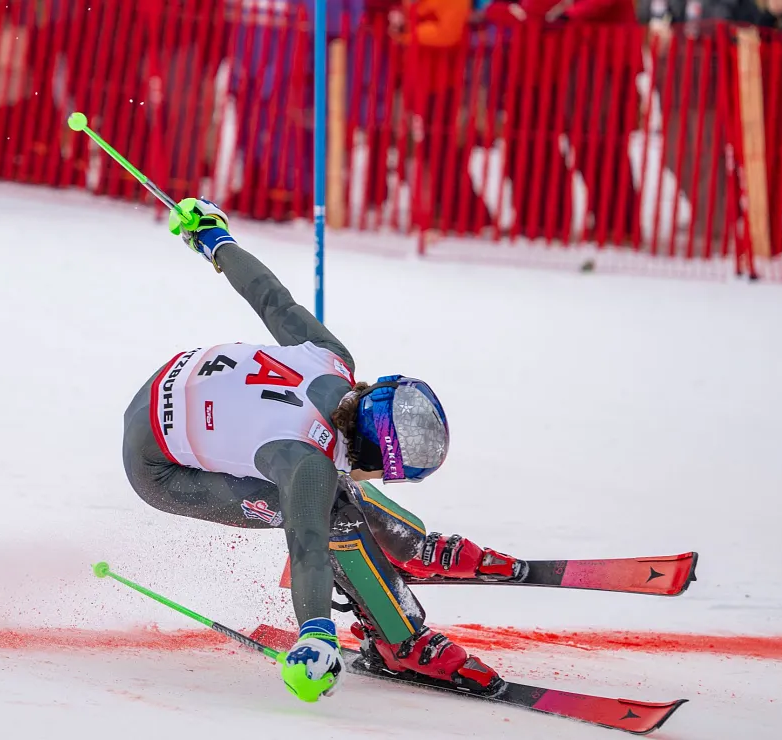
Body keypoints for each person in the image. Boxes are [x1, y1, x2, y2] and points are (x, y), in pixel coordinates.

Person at [122, 197, 527, 702]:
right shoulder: (307, 462)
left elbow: (273, 300)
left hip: (177, 377)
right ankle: (399, 641)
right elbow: (307, 544)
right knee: (331, 513)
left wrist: (214, 239)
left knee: (325, 493)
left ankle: (403, 547)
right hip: (159, 467)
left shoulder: (335, 362)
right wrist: (316, 633)